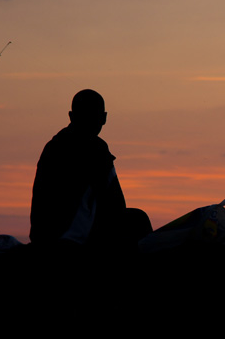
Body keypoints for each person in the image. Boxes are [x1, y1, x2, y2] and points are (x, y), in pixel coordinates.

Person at [29, 89, 151, 251]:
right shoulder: (96, 148)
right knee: (138, 219)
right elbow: (115, 202)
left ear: (71, 116)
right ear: (104, 118)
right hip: (73, 236)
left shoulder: (53, 146)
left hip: (44, 234)